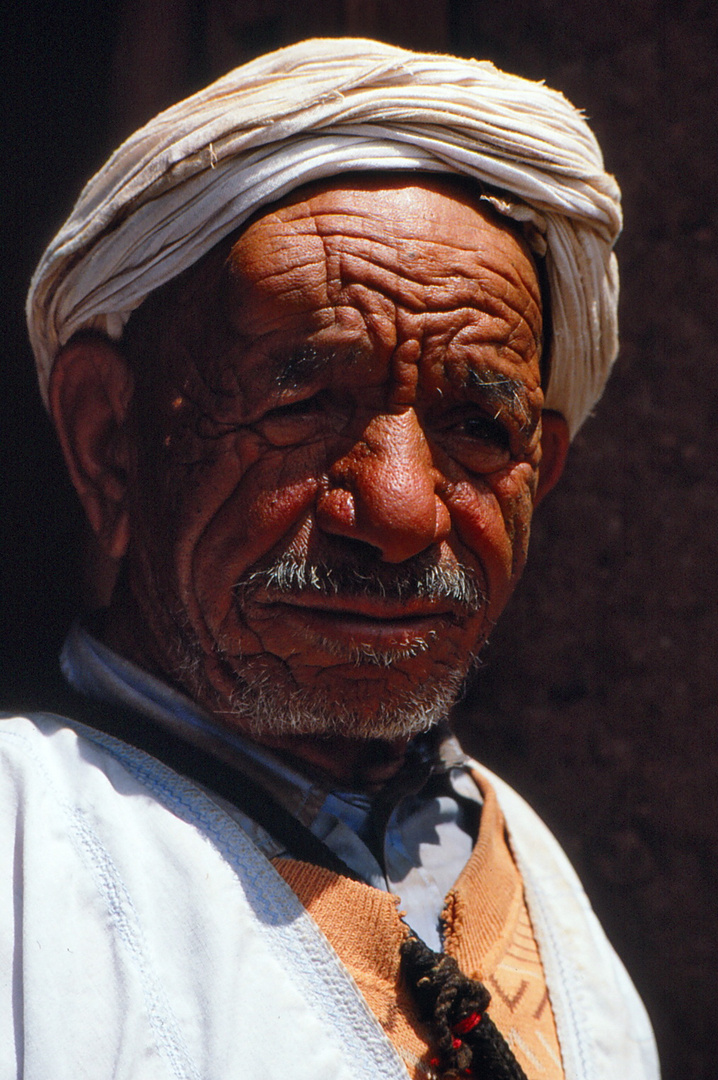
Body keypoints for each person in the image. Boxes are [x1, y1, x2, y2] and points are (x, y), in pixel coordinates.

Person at [2, 38, 658, 1080]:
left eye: (477, 426)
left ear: (543, 470)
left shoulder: (533, 871)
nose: (397, 509)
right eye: (302, 403)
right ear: (108, 438)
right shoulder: (21, 850)